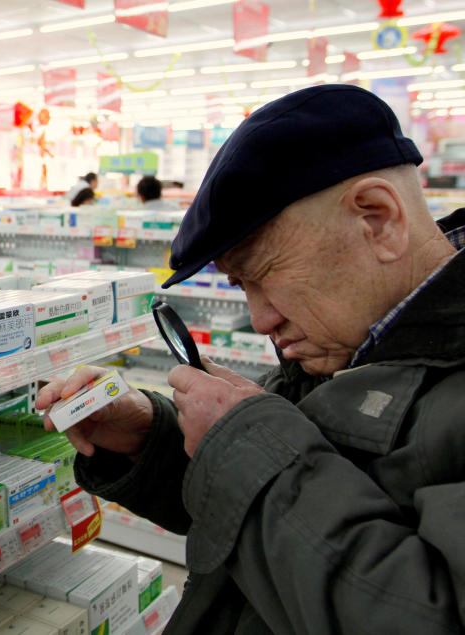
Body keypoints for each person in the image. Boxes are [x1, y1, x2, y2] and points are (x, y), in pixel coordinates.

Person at [38, 84, 465, 633]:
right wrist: (154, 438)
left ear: (378, 218)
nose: (260, 320)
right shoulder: (341, 348)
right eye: (241, 288)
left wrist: (245, 443)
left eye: (263, 276)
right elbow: (266, 526)